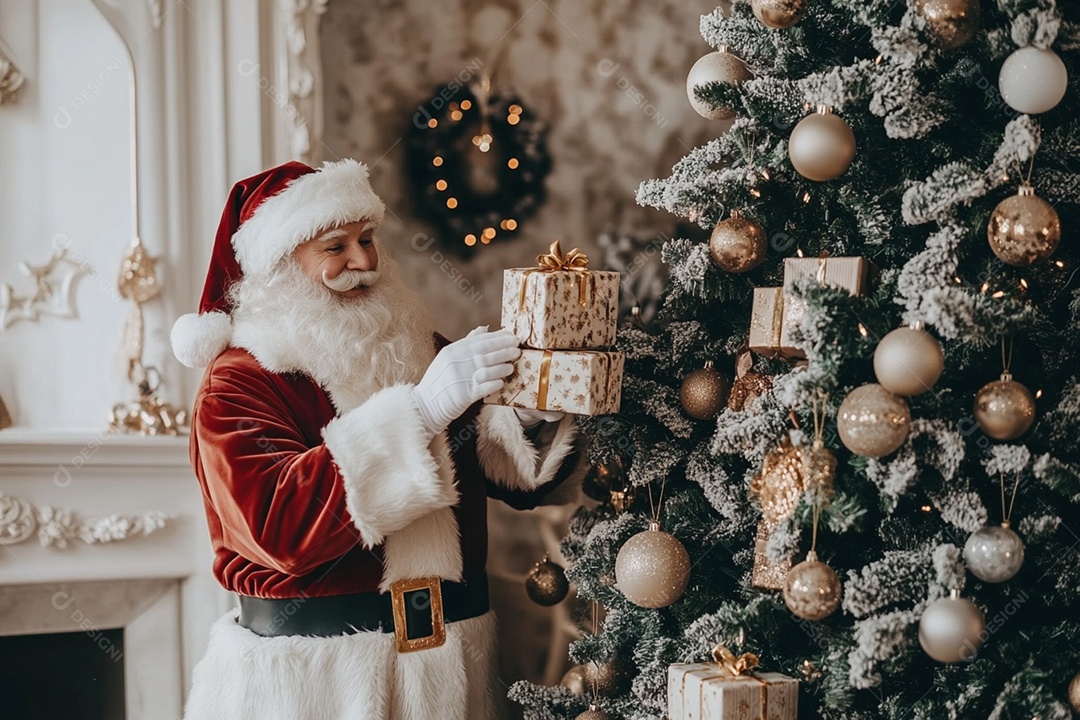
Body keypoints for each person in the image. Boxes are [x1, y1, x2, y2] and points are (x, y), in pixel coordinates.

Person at [170, 159, 581, 720]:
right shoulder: (238, 382)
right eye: (334, 247)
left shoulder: (413, 344)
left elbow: (486, 462)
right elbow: (280, 525)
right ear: (278, 266)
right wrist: (421, 411)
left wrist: (528, 419)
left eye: (366, 239)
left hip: (450, 666)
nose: (363, 261)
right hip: (318, 684)